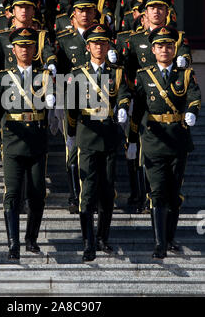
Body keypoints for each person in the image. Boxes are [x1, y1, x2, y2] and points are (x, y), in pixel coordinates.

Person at [127, 26, 201, 259]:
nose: (165, 50)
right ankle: (159, 243)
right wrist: (131, 140)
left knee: (173, 192)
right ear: (153, 49)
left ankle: (170, 238)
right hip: (154, 139)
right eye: (160, 46)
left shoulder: (184, 74)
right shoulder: (144, 76)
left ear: (174, 48)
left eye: (169, 45)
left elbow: (194, 96)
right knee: (157, 192)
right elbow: (138, 110)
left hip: (178, 138)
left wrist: (192, 111)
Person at [0, 27, 55, 260]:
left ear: (35, 50)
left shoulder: (45, 76)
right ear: (13, 50)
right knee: (12, 193)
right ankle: (13, 243)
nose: (25, 50)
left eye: (29, 46)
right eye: (20, 46)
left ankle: (31, 239)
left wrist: (55, 98)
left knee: (36, 193)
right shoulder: (4, 76)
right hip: (13, 141)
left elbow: (60, 104)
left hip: (36, 139)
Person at [66, 24, 131, 261]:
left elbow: (124, 93)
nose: (100, 47)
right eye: (95, 43)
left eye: (104, 42)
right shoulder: (78, 73)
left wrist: (123, 107)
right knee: (88, 191)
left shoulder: (116, 72)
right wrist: (71, 134)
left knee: (107, 190)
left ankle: (103, 237)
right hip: (88, 135)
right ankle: (88, 241)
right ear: (88, 46)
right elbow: (72, 107)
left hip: (110, 135)